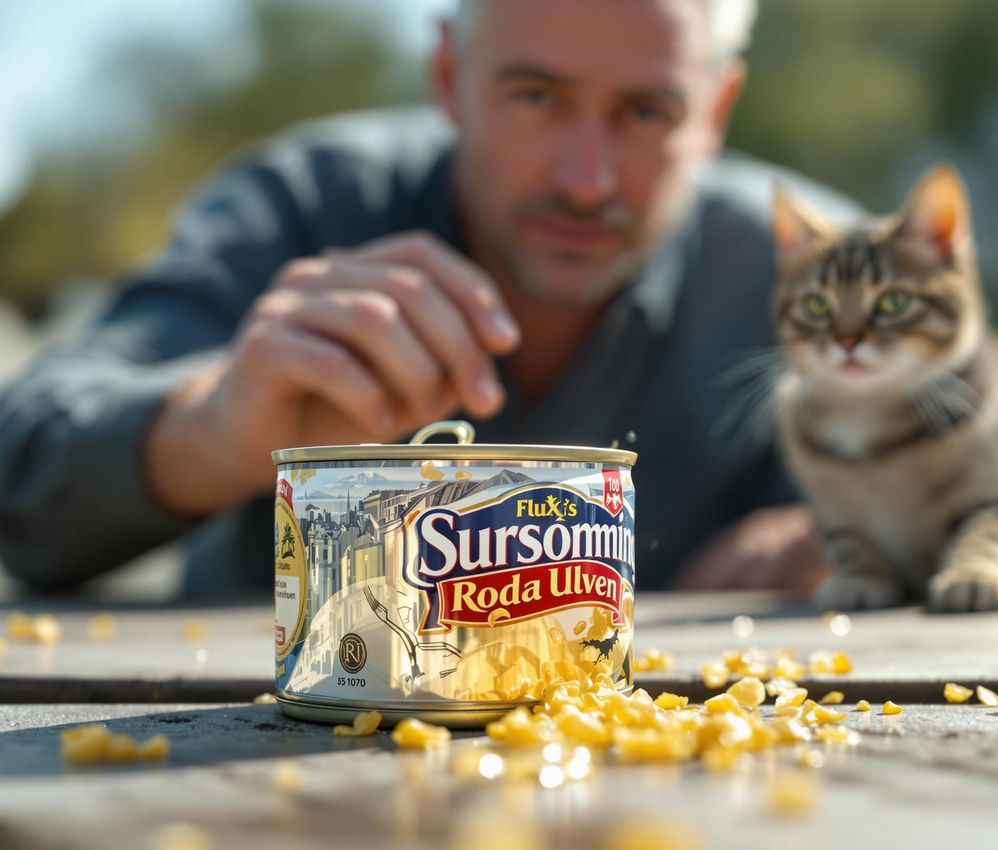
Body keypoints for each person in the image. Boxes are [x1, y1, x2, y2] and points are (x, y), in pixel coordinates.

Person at [0, 0, 855, 597]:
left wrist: (861, 530)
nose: (586, 181)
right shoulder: (306, 205)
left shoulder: (819, 275)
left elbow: (942, 479)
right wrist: (213, 429)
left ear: (715, 109)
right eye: (536, 97)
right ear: (449, 74)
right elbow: (21, 470)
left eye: (645, 112)